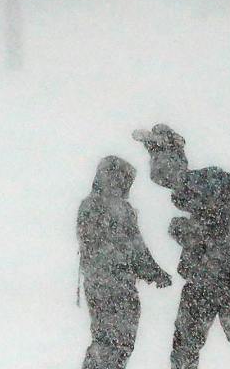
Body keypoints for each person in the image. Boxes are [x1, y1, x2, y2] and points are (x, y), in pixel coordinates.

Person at [134, 124, 230, 369]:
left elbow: (179, 184)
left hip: (206, 285)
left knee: (188, 347)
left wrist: (189, 232)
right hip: (229, 288)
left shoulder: (224, 193)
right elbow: (179, 184)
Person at [78, 155, 173, 369]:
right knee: (117, 342)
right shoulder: (119, 210)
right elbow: (135, 248)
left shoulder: (88, 205)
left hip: (97, 283)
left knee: (106, 340)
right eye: (125, 180)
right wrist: (155, 273)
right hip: (117, 286)